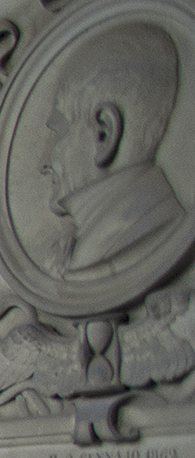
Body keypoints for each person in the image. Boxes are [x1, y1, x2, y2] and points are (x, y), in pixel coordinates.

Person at [37, 23, 185, 278]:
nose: (43, 161)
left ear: (104, 133)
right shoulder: (89, 246)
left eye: (58, 132)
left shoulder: (131, 235)